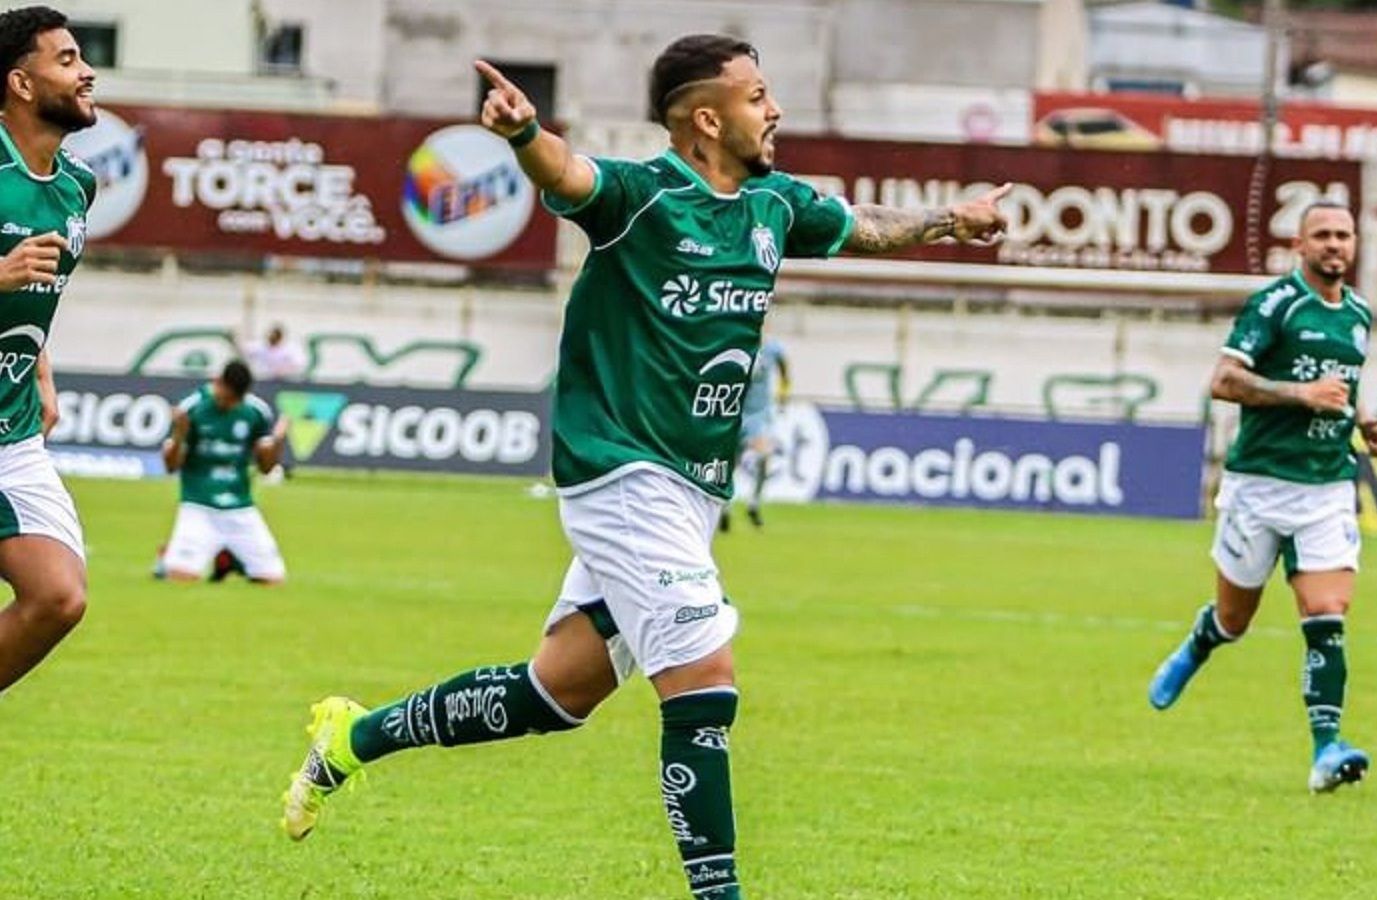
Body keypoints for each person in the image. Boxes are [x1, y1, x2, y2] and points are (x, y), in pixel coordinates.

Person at [281, 34, 1009, 899]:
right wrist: (522, 136)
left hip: (691, 491)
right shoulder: (644, 196)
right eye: (758, 96)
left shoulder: (775, 205)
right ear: (708, 117)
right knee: (705, 676)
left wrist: (950, 220)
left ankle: (352, 739)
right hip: (621, 475)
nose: (773, 110)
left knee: (554, 695)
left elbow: (865, 226)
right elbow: (568, 174)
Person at [1146, 200, 1377, 794]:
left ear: (1355, 244)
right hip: (1259, 485)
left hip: (1328, 486)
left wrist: (1362, 419)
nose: (1334, 244)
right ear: (1300, 246)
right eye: (1322, 235)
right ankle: (1204, 641)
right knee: (1235, 618)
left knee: (1327, 614)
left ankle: (1326, 750)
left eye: (1344, 234)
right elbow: (1224, 380)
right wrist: (1297, 394)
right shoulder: (1275, 305)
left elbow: (1341, 384)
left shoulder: (1358, 314)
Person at [0, 5, 98, 694]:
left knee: (60, 596)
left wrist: (40, 367)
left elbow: (36, 296)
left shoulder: (76, 186)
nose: (87, 70)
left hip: (14, 435)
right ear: (22, 84)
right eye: (65, 60)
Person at [155, 360, 289, 585]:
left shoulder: (256, 412)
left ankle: (227, 556)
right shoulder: (193, 407)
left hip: (240, 508)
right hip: (198, 505)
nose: (228, 405)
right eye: (225, 398)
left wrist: (277, 441)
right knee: (180, 579)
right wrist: (179, 436)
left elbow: (267, 469)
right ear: (218, 383)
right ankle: (167, 557)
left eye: (235, 401)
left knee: (273, 581)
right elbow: (171, 466)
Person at [720, 335, 789, 531]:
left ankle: (753, 504)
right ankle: (725, 508)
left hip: (759, 415)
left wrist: (783, 396)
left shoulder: (772, 349)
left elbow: (785, 371)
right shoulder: (735, 346)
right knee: (730, 464)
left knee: (764, 456)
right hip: (735, 414)